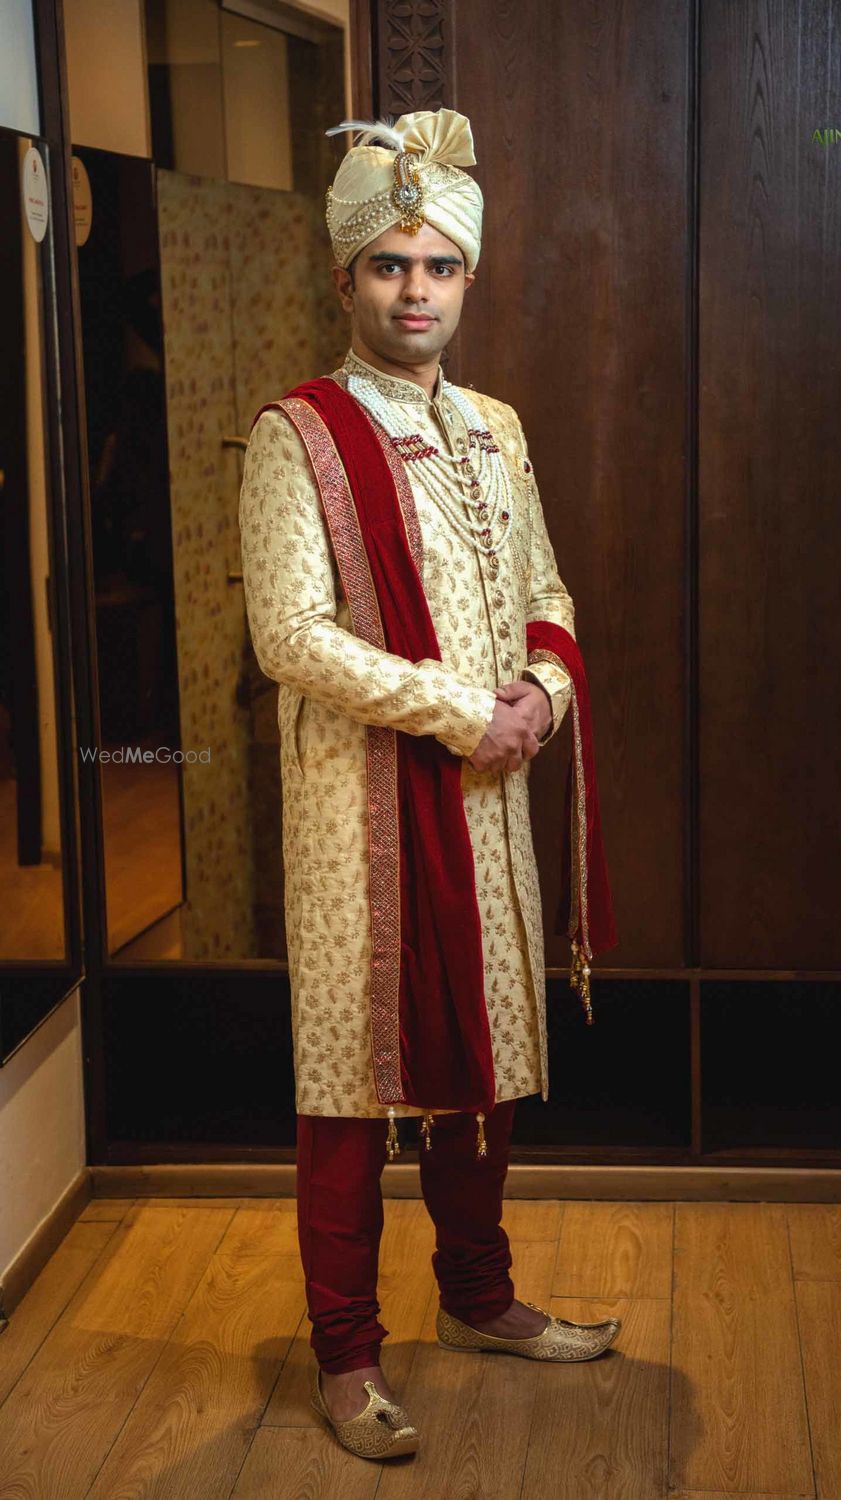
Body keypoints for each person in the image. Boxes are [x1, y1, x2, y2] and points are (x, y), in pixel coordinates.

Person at [238, 107, 618, 1462]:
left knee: (489, 1064)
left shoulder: (499, 431)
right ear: (345, 279)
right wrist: (467, 709)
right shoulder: (300, 433)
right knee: (350, 1087)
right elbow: (289, 638)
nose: (415, 289)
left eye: (438, 264)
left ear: (468, 276)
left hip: (490, 800)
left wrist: (542, 697)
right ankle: (348, 1359)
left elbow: (549, 592)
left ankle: (478, 1301)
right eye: (390, 264)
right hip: (362, 813)